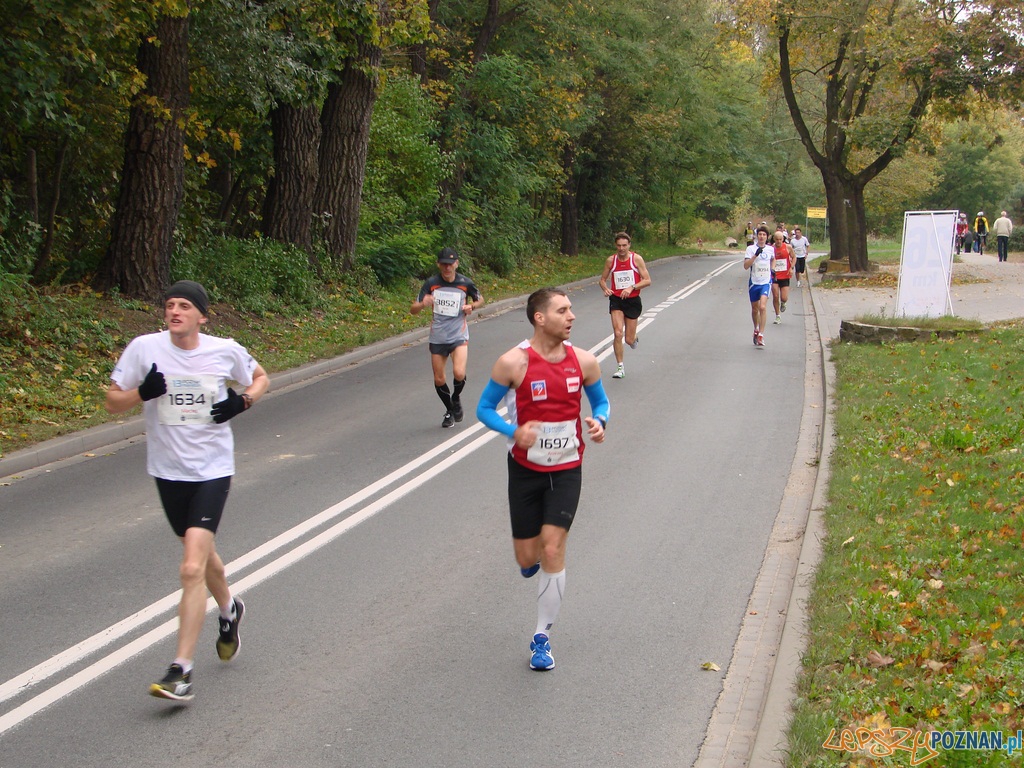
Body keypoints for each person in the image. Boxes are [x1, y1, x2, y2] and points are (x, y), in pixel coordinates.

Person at [105, 280, 269, 702]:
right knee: (201, 553)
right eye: (169, 305)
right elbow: (112, 401)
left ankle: (181, 671)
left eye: (184, 306)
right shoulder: (144, 348)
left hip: (212, 469)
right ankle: (229, 609)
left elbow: (260, 378)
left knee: (191, 568)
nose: (174, 311)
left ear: (202, 316)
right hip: (167, 471)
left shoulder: (224, 350)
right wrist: (142, 393)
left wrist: (242, 401)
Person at [476, 287, 609, 671]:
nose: (571, 316)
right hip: (524, 470)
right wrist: (512, 431)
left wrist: (600, 421)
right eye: (562, 310)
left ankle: (541, 638)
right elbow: (484, 408)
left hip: (567, 468)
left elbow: (601, 401)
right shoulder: (513, 363)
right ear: (540, 317)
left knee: (552, 549)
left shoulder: (584, 361)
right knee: (528, 556)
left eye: (571, 309)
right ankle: (528, 559)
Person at [410, 247, 484, 428]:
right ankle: (450, 409)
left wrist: (472, 307)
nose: (447, 268)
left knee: (459, 372)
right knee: (439, 379)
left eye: (450, 264)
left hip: (458, 335)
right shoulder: (431, 283)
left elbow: (480, 299)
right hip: (438, 336)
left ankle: (456, 398)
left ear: (456, 264)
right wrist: (423, 303)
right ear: (438, 264)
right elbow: (413, 309)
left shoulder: (465, 283)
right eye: (444, 264)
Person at [599, 232, 652, 379]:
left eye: (624, 245)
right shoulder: (611, 261)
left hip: (632, 300)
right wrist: (605, 289)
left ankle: (634, 338)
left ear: (629, 245)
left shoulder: (636, 259)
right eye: (619, 246)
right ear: (615, 246)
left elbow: (647, 280)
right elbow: (602, 280)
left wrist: (631, 287)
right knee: (617, 333)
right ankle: (620, 367)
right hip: (616, 300)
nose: (621, 248)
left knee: (629, 340)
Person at [743, 226, 774, 347]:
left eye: (764, 235)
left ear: (767, 237)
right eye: (760, 234)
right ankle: (756, 328)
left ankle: (761, 334)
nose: (762, 237)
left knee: (762, 307)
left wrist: (773, 269)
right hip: (754, 283)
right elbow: (746, 266)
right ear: (756, 236)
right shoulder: (750, 249)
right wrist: (755, 256)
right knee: (755, 309)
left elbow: (773, 259)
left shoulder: (770, 249)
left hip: (766, 282)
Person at [770, 230, 793, 324]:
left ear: (783, 239)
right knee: (775, 296)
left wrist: (791, 268)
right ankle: (777, 316)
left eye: (780, 239)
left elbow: (794, 257)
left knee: (784, 297)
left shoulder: (788, 247)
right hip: (774, 276)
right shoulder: (771, 249)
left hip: (785, 275)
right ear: (774, 239)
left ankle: (783, 303)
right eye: (777, 239)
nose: (779, 241)